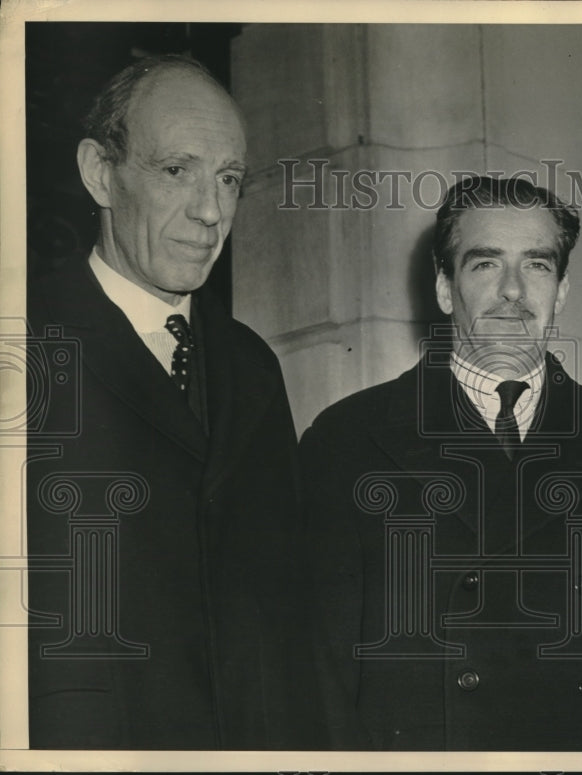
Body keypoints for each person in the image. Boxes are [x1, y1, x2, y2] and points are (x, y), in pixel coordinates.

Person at [299, 176, 582, 750]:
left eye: (537, 266)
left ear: (561, 291)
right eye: (486, 264)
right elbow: (320, 678)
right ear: (445, 288)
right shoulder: (347, 442)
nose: (513, 291)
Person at [27, 55, 327, 749]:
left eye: (229, 179)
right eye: (176, 171)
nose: (211, 210)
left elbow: (285, 623)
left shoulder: (253, 366)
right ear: (100, 173)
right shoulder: (26, 346)